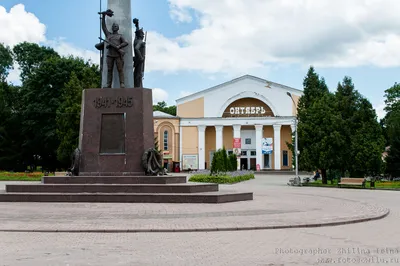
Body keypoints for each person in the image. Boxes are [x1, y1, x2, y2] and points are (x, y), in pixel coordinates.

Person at [101, 12, 128, 88]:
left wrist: (119, 46)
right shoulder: (109, 35)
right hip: (110, 55)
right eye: (113, 26)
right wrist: (103, 16)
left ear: (118, 28)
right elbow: (104, 27)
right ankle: (108, 84)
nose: (114, 27)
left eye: (116, 26)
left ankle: (122, 83)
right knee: (109, 70)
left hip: (118, 55)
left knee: (120, 69)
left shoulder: (120, 36)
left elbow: (126, 42)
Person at [133, 18, 146, 88]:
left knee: (136, 74)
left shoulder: (135, 40)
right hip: (140, 61)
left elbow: (136, 33)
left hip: (137, 60)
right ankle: (138, 87)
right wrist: (141, 57)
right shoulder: (140, 42)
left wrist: (137, 25)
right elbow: (136, 48)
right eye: (142, 34)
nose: (143, 35)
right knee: (139, 75)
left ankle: (137, 86)